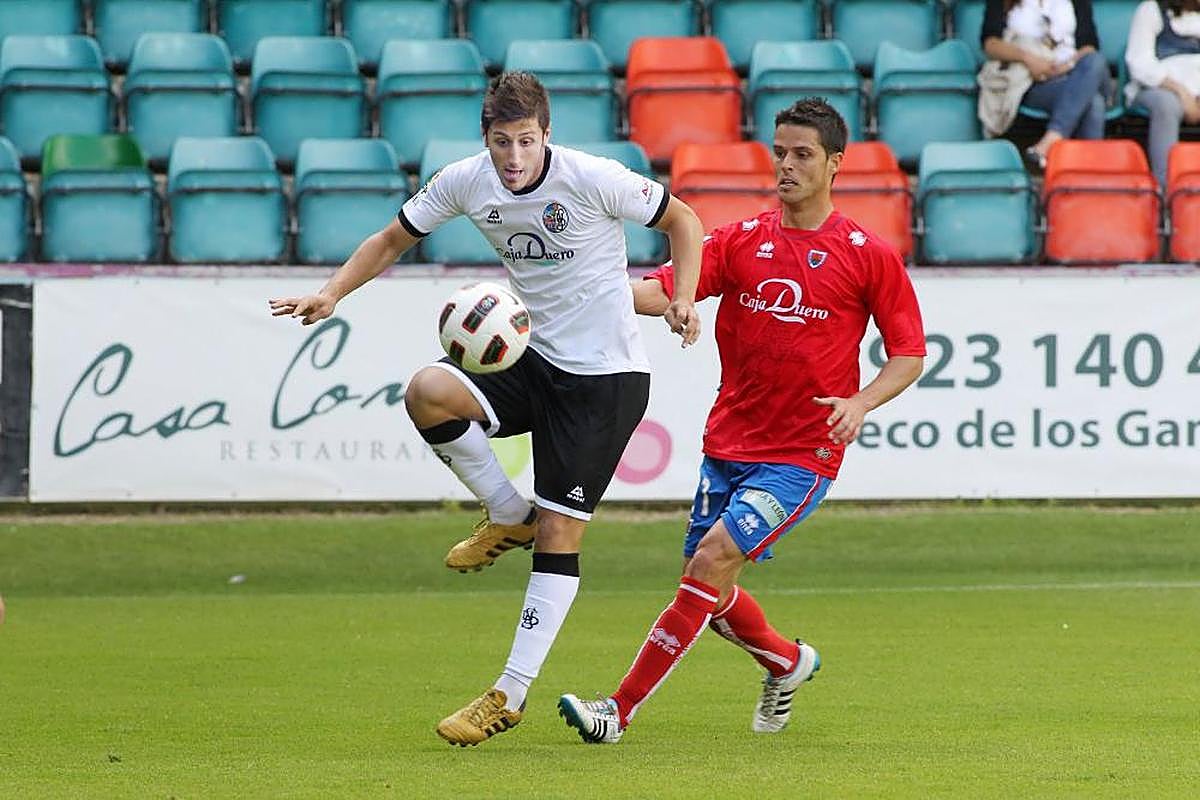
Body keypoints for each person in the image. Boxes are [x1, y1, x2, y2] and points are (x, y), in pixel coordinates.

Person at [269, 72, 704, 746]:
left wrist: (683, 297)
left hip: (604, 380)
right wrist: (332, 293)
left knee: (562, 537)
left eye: (525, 141)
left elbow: (684, 219)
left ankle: (509, 694)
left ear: (546, 135)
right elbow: (390, 239)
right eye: (502, 142)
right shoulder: (467, 180)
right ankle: (508, 512)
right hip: (533, 357)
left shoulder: (593, 178)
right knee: (426, 392)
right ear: (487, 138)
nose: (514, 157)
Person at [557, 98, 926, 744]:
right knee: (709, 589)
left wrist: (861, 402)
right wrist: (607, 290)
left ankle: (616, 712)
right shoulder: (739, 241)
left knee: (711, 560)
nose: (786, 164)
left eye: (802, 154)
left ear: (835, 164)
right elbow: (661, 287)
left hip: (802, 453)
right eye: (779, 151)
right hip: (728, 443)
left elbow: (910, 354)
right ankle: (787, 662)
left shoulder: (868, 255)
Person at [981, 0, 1113, 169]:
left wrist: (1062, 68)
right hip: (1033, 82)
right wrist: (1028, 59)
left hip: (1074, 73)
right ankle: (1090, 180)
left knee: (1096, 61)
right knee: (1094, 103)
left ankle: (1052, 138)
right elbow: (990, 44)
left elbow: (1089, 47)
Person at [1126, 0, 1200, 188]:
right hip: (1158, 89)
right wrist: (1182, 93)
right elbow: (1139, 64)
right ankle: (1167, 190)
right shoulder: (1151, 10)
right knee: (1167, 104)